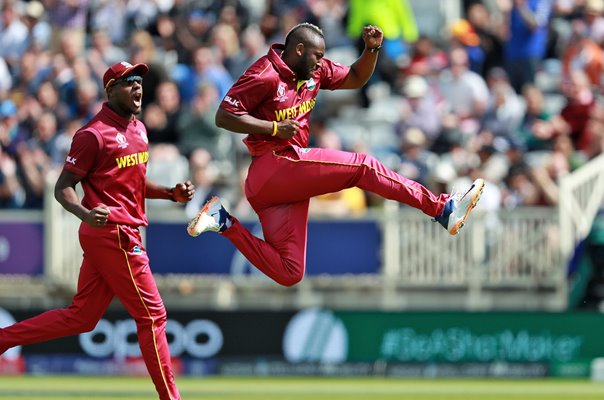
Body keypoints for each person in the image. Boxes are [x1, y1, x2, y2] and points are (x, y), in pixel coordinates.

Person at [187, 23, 484, 287]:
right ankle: (441, 209)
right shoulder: (264, 74)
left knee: (290, 272)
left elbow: (355, 77)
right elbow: (224, 116)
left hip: (278, 185)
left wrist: (371, 49)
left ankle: (222, 220)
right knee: (363, 166)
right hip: (273, 164)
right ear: (299, 50)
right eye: (316, 55)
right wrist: (274, 127)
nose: (320, 62)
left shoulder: (315, 70)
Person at [0, 61, 194, 400]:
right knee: (153, 316)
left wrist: (169, 193)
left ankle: (4, 339)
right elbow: (62, 187)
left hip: (119, 232)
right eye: (129, 82)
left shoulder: (139, 129)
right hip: (112, 232)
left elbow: (131, 183)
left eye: (140, 82)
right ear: (110, 90)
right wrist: (84, 213)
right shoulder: (92, 134)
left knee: (82, 317)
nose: (138, 88)